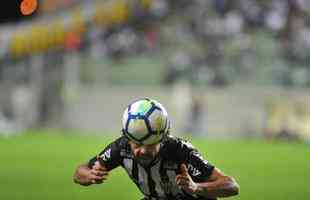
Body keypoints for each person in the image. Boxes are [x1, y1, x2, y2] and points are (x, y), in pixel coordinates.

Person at [73, 98, 239, 200]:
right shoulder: (121, 147)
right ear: (128, 138)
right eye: (137, 144)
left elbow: (231, 186)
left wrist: (196, 188)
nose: (143, 151)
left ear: (162, 139)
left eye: (150, 144)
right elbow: (80, 171)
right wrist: (88, 175)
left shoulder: (179, 151)